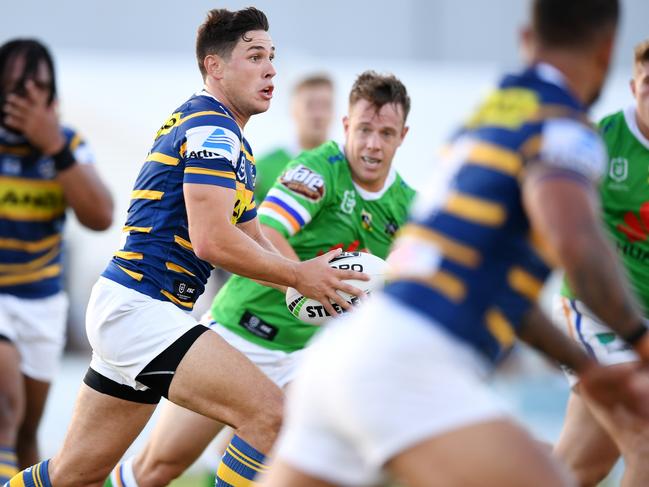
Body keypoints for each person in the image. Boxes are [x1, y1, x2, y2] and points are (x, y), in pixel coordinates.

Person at [259, 1, 649, 486]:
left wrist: (585, 369)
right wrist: (639, 340)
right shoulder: (563, 126)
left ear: (527, 40)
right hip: (413, 363)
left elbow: (501, 291)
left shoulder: (488, 120)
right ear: (608, 49)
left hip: (346, 353)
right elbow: (575, 239)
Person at [3, 8, 366, 487]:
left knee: (76, 473)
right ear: (214, 66)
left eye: (272, 57)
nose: (271, 69)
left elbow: (252, 238)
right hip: (142, 309)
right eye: (255, 56)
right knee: (270, 416)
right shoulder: (212, 129)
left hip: (134, 308)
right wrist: (301, 277)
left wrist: (311, 286)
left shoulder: (228, 137)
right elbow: (212, 239)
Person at [106, 70, 416, 487]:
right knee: (158, 466)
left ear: (403, 136)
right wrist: (306, 286)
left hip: (310, 355)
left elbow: (411, 282)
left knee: (316, 466)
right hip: (241, 331)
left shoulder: (409, 207)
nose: (373, 144)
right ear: (346, 126)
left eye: (385, 132)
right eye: (363, 129)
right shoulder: (317, 169)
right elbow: (267, 232)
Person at [0, 38, 113, 483]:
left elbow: (100, 215)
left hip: (42, 302)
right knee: (4, 409)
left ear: (52, 96)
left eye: (38, 88)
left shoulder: (67, 143)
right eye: (15, 87)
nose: (27, 98)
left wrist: (53, 147)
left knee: (26, 429)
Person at [553, 38, 649, 487]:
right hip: (594, 315)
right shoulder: (599, 141)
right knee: (645, 442)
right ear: (633, 87)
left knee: (576, 469)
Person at [254, 74, 334, 202]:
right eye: (310, 105)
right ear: (293, 110)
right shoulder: (262, 168)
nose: (318, 114)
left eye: (325, 105)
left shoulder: (346, 168)